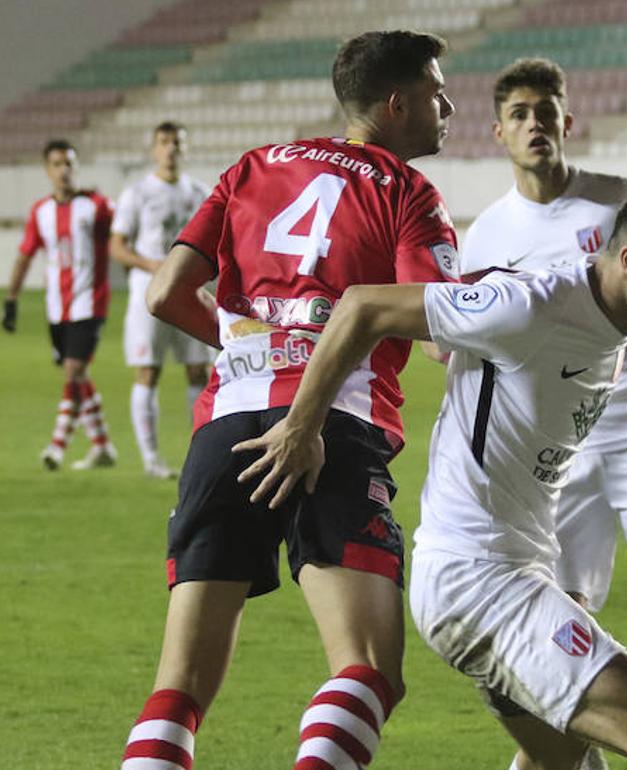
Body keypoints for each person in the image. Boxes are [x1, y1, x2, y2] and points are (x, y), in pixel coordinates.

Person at [237, 176, 627, 770]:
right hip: (478, 579)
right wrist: (301, 426)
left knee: (565, 764)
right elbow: (363, 306)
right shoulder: (531, 307)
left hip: (520, 572)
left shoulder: (611, 325)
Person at [117, 30, 459, 770]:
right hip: (336, 421)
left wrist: (257, 349)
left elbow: (165, 292)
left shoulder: (252, 166)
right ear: (396, 104)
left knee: (178, 689)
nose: (449, 106)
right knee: (367, 669)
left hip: (229, 424)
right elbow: (440, 332)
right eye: (437, 93)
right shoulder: (406, 191)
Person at [459, 58, 627, 769]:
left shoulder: (618, 203)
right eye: (520, 113)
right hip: (559, 455)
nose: (535, 123)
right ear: (499, 132)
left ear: (567, 120)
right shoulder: (486, 236)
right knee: (569, 622)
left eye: (546, 110)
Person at [5, 138, 117, 471]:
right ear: (47, 170)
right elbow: (25, 256)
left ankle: (56, 446)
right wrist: (11, 298)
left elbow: (122, 235)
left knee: (74, 370)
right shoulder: (40, 212)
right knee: (77, 375)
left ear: (77, 166)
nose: (64, 170)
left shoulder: (97, 206)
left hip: (90, 302)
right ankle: (102, 446)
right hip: (57, 307)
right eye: (57, 164)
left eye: (69, 163)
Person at [110, 122, 214, 479]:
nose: (171, 149)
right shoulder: (137, 192)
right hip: (149, 293)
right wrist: (153, 264)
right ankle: (152, 460)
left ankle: (197, 457)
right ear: (154, 148)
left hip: (189, 291)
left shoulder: (199, 192)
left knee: (199, 371)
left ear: (185, 149)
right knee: (148, 371)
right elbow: (117, 247)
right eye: (164, 142)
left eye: (177, 143)